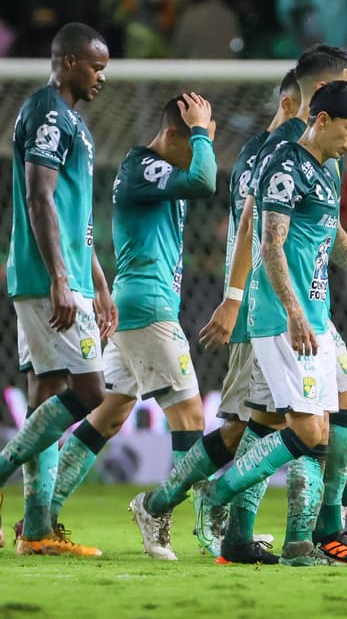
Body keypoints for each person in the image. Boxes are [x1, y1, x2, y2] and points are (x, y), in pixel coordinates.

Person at [165, 80, 347, 568]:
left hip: (314, 316)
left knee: (315, 427)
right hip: (282, 317)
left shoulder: (330, 168)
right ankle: (218, 496)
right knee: (302, 430)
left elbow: (329, 230)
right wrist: (294, 312)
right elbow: (268, 243)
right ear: (320, 118)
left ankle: (301, 541)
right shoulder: (284, 164)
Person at [0, 23, 115, 558]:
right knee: (92, 392)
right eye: (95, 66)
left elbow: (75, 214)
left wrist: (97, 281)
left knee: (47, 393)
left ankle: (39, 528)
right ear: (68, 61)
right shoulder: (48, 111)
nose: (101, 77)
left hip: (61, 273)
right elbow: (39, 197)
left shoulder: (71, 120)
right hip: (48, 276)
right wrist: (62, 279)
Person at [43, 93, 217, 557]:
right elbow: (205, 181)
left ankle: (41, 512)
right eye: (196, 139)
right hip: (148, 308)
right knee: (191, 419)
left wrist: (200, 137)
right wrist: (203, 136)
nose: (202, 150)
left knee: (110, 411)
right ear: (173, 134)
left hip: (135, 305)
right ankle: (174, 517)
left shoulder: (156, 173)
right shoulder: (145, 167)